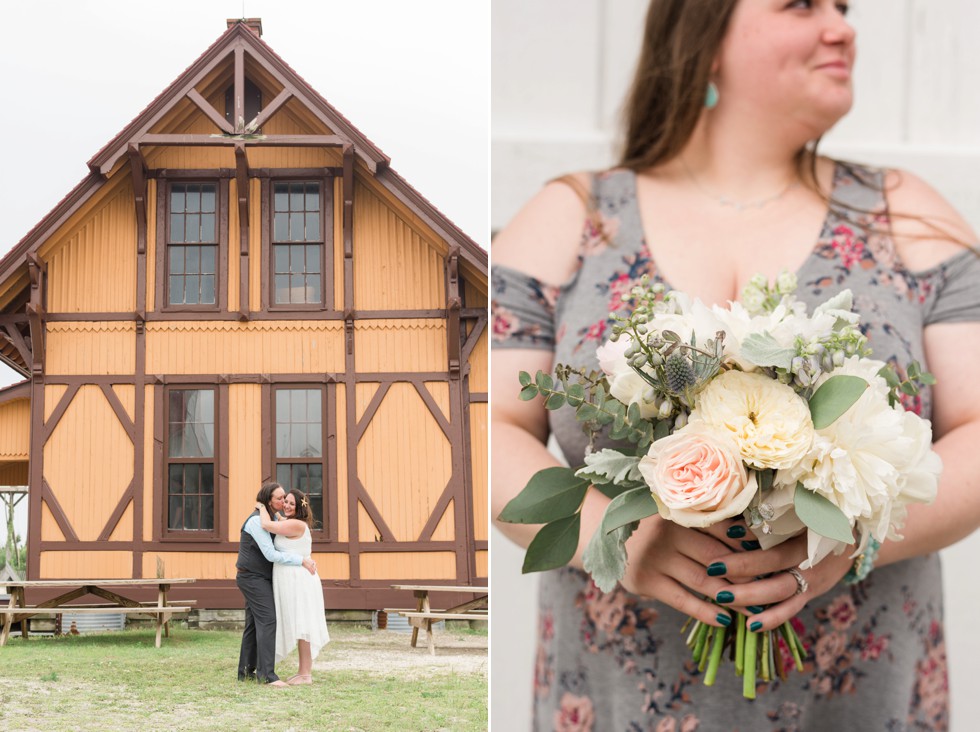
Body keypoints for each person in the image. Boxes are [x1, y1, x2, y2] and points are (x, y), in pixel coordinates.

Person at [491, 0, 980, 728]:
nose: (843, 26)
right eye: (801, 4)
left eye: (844, 8)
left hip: (860, 694)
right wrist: (615, 538)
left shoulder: (907, 217)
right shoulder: (573, 218)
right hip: (621, 693)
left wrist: (854, 538)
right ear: (703, 32)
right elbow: (489, 423)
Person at [236, 481, 316, 687]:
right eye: (280, 498)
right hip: (252, 577)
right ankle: (267, 675)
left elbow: (284, 526)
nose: (283, 501)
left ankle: (246, 672)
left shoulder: (273, 518)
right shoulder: (256, 521)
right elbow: (271, 554)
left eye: (286, 499)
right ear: (268, 499)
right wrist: (302, 560)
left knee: (254, 624)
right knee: (268, 620)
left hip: (261, 577)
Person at [258, 488, 330, 685]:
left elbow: (266, 524)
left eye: (291, 503)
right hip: (292, 579)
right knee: (299, 626)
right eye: (285, 501)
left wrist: (261, 505)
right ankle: (302, 671)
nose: (287, 505)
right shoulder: (289, 522)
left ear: (299, 507)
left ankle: (306, 674)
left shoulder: (297, 525)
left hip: (299, 581)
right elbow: (280, 519)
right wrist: (277, 512)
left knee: (303, 625)